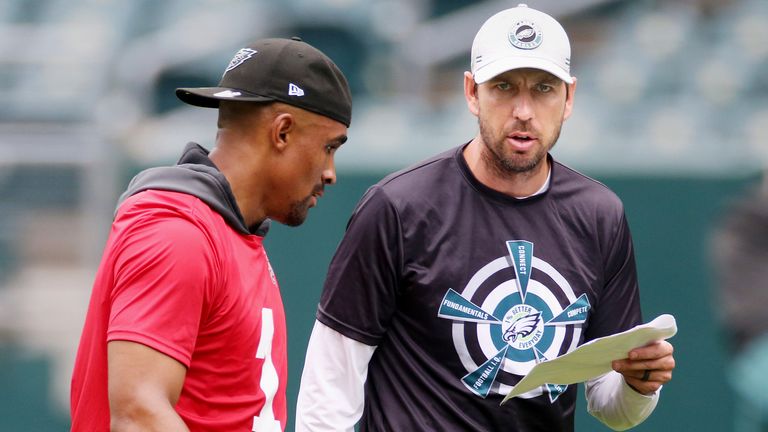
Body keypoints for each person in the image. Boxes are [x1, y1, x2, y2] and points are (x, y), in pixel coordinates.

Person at [296, 5, 675, 431]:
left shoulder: (600, 215)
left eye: (544, 88)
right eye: (505, 87)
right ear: (472, 92)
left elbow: (611, 406)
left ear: (569, 98)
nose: (524, 110)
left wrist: (639, 385)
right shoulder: (398, 207)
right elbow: (330, 385)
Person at [70, 37, 351, 431]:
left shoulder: (229, 232)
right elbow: (138, 415)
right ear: (283, 132)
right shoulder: (178, 233)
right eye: (328, 147)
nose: (330, 172)